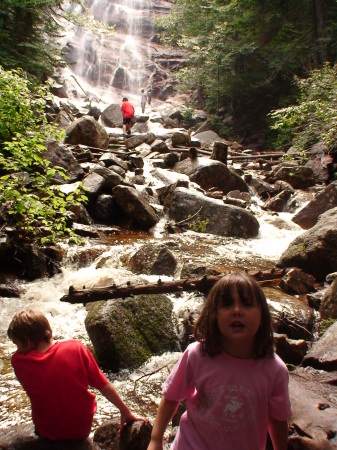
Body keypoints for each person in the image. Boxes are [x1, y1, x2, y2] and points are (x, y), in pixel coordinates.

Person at [147, 271, 292, 450]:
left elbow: (277, 419)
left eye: (246, 304)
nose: (237, 311)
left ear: (262, 316)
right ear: (214, 315)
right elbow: (171, 397)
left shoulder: (274, 370)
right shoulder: (198, 355)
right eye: (227, 304)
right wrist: (155, 439)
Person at [7, 309, 147, 442]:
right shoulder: (76, 348)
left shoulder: (19, 362)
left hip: (48, 432)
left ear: (28, 342)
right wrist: (125, 411)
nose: (17, 349)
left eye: (17, 344)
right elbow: (103, 384)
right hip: (80, 430)